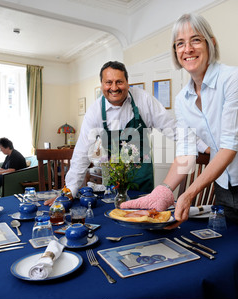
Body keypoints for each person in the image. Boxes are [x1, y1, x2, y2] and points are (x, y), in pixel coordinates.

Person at [121, 13, 238, 297]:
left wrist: (189, 193)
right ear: (175, 52)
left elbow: (228, 148)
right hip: (225, 190)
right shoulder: (182, 101)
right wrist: (165, 191)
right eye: (180, 43)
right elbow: (186, 152)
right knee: (225, 261)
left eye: (195, 39)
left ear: (210, 43)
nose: (188, 49)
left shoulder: (234, 79)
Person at [44, 60, 208, 205]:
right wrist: (69, 192)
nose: (114, 88)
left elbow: (173, 128)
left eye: (119, 82)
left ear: (128, 83)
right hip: (112, 187)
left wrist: (203, 146)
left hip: (141, 184)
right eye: (108, 82)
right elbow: (81, 153)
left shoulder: (143, 100)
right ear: (102, 85)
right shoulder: (94, 112)